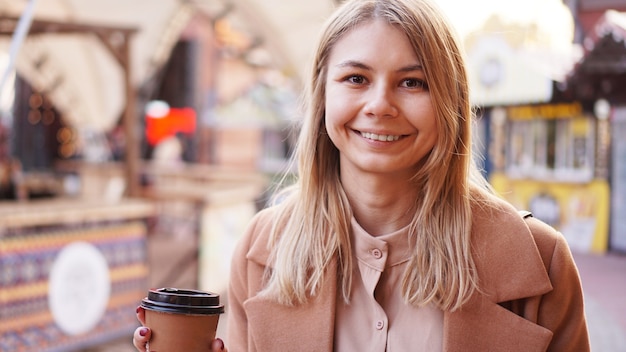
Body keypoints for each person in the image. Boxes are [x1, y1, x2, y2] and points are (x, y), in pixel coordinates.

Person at [133, 0, 590, 350]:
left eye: (413, 82)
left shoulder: (541, 260)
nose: (379, 105)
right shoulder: (261, 251)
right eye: (356, 78)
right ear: (323, 94)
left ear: (450, 103)